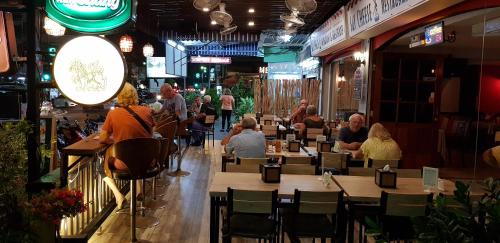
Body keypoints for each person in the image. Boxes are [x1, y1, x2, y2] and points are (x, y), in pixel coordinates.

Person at [99, 83, 155, 209]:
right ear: (135, 96)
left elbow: (102, 138)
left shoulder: (113, 114)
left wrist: (115, 141)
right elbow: (150, 135)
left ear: (119, 97)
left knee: (101, 167)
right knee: (136, 156)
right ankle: (138, 189)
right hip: (147, 161)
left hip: (124, 163)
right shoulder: (147, 111)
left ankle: (119, 196)